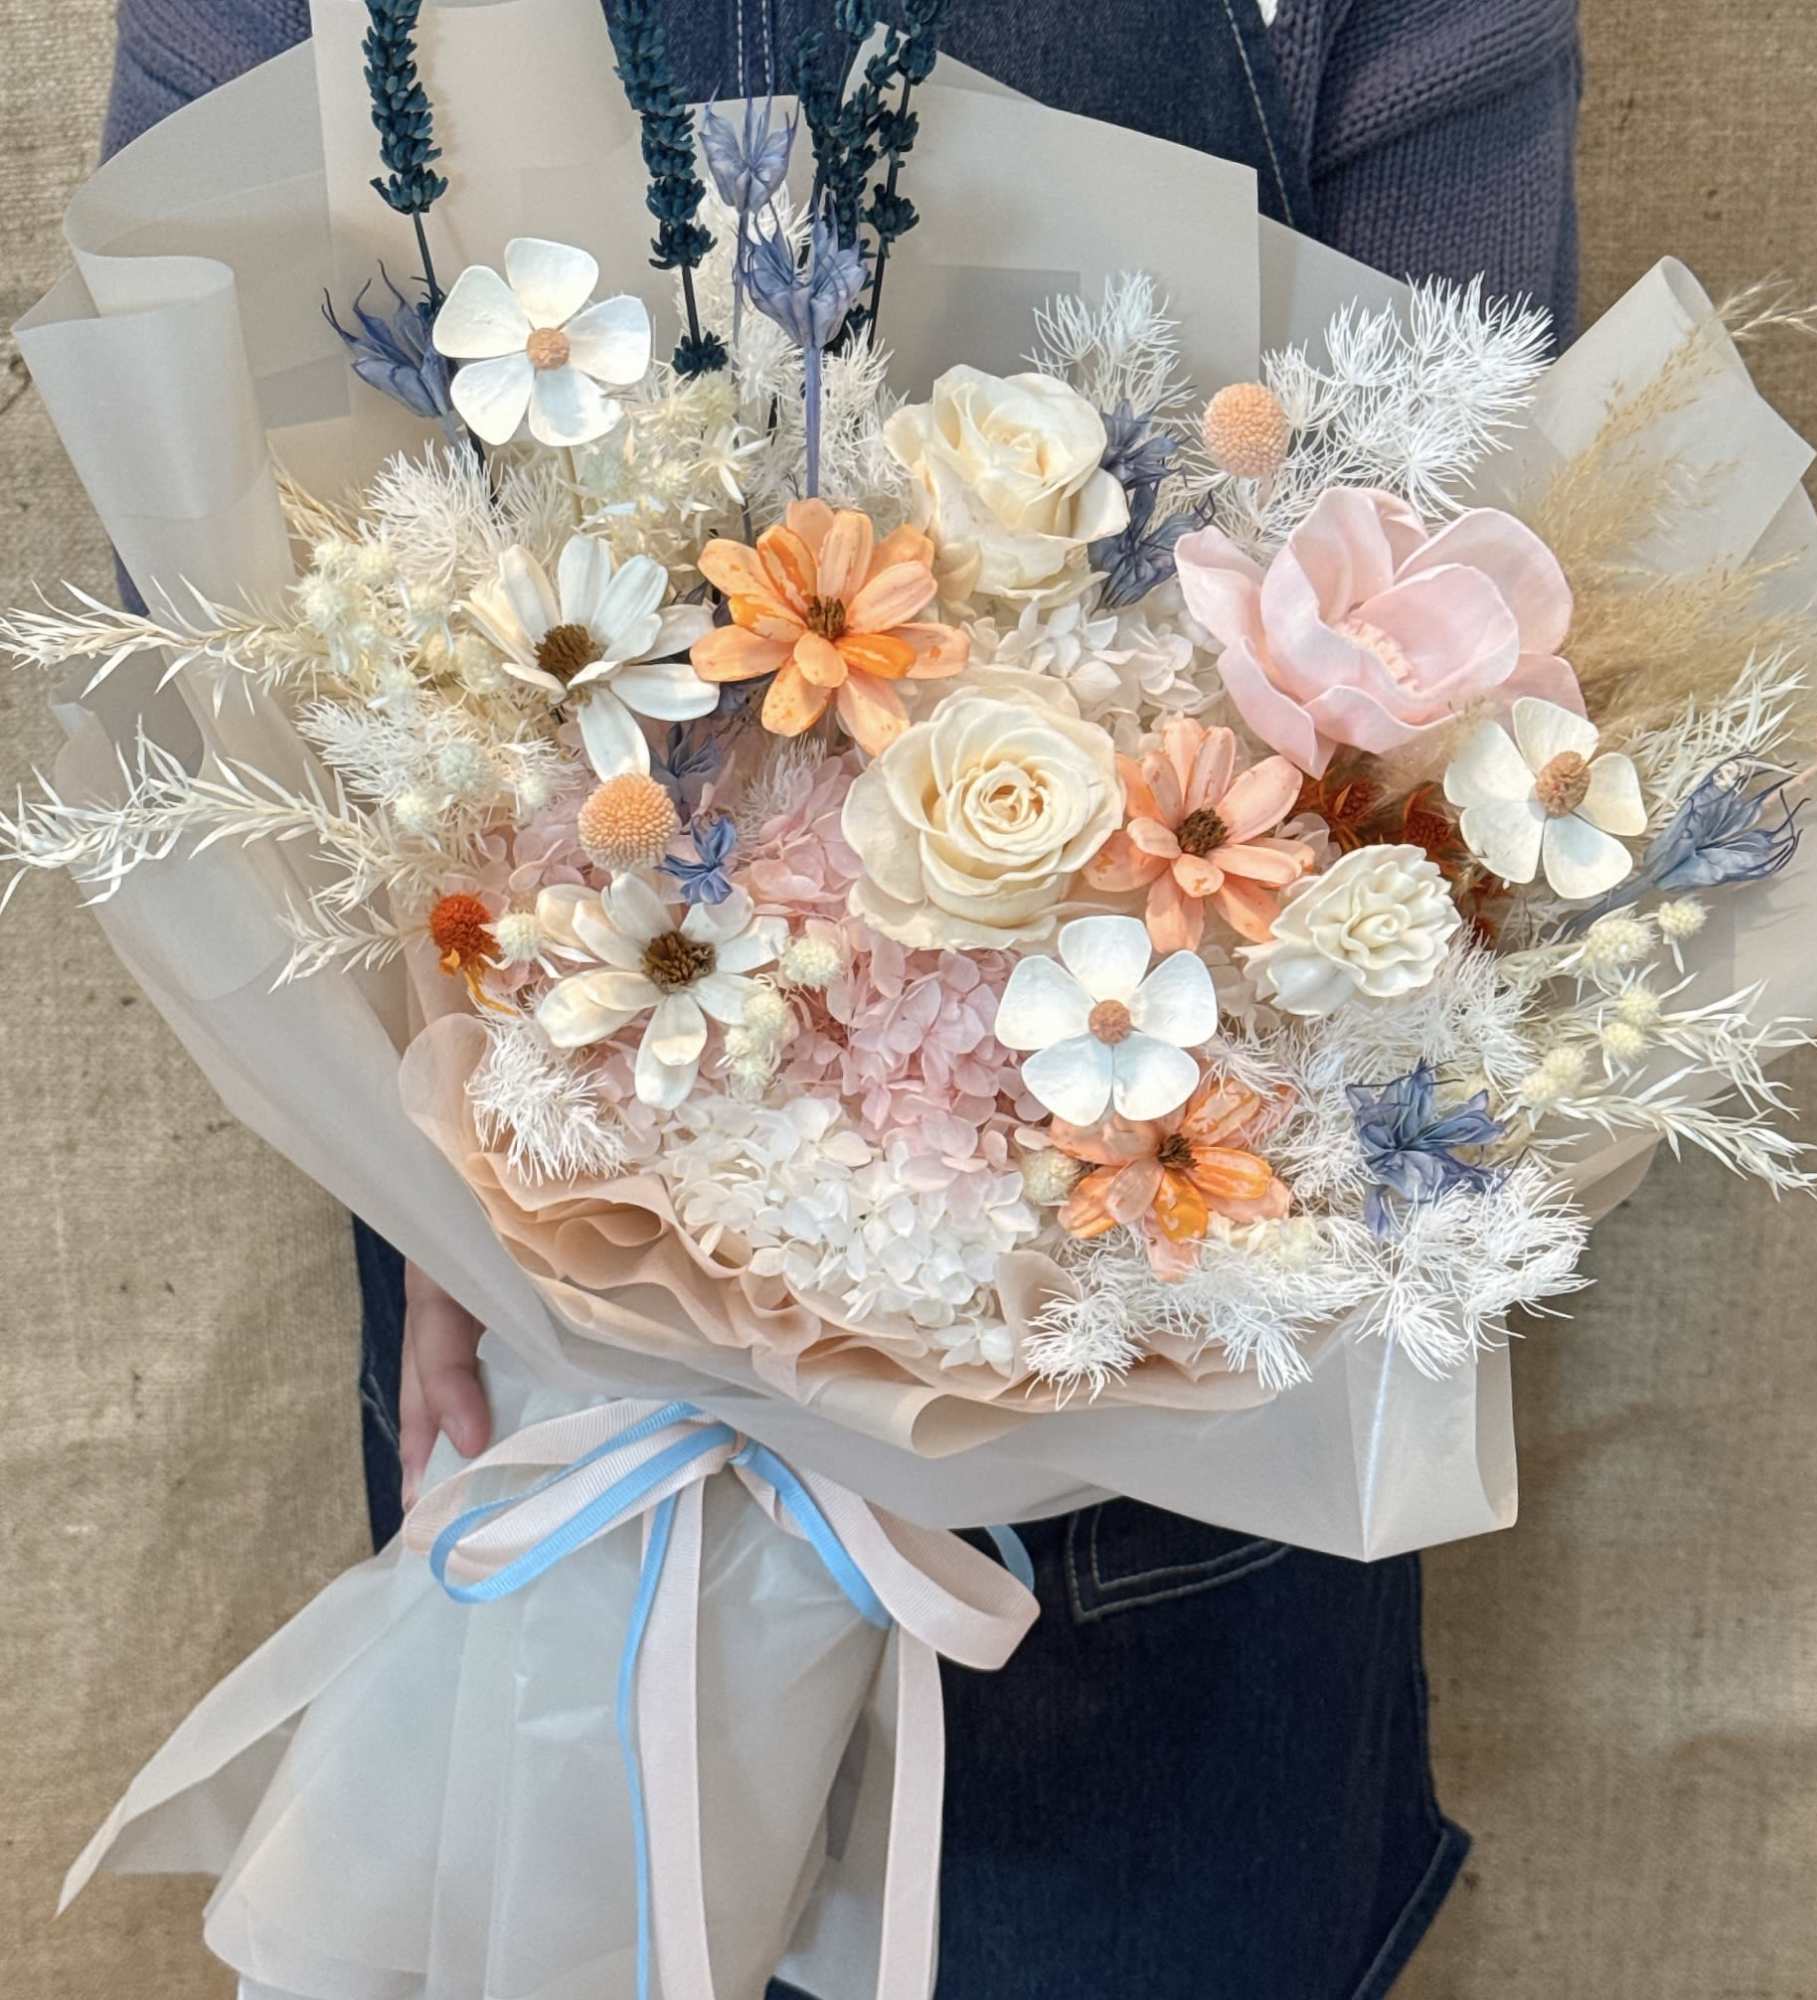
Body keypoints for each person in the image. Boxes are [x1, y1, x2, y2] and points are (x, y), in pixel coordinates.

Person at [105, 5, 1581, 1994]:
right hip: (552, 1262)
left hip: (1164, 1295)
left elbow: (1460, 603)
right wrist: (456, 1133)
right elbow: (220, 555)